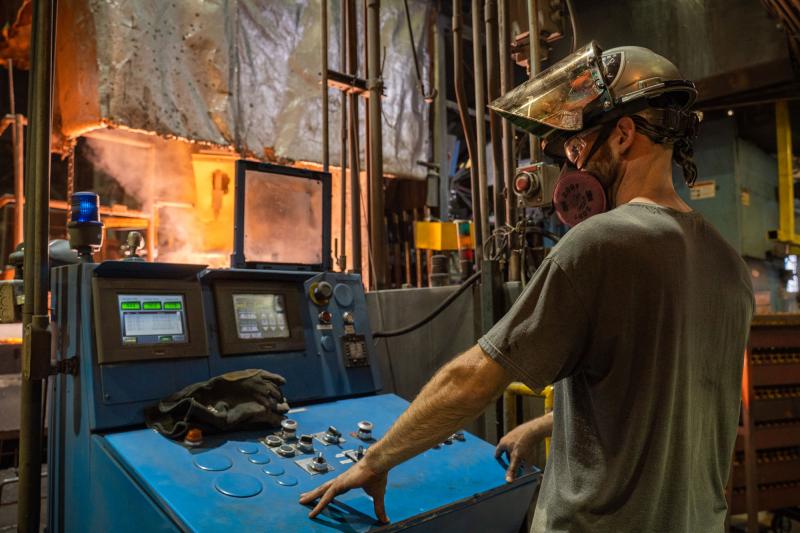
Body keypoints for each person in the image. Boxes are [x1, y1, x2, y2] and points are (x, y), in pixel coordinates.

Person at [299, 42, 754, 532]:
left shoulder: (600, 242)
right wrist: (545, 425)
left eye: (579, 146)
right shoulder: (729, 266)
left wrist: (375, 460)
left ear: (623, 135)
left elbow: (472, 378)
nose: (573, 166)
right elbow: (663, 401)